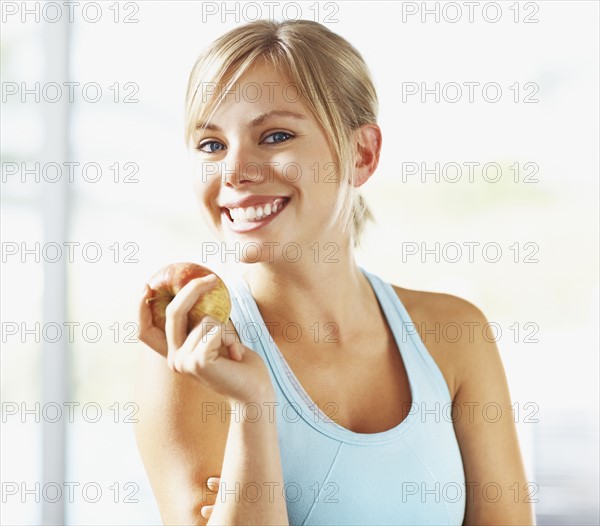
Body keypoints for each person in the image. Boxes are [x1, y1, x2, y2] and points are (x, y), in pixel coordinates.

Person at [135, 20, 534, 525]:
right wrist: (254, 405)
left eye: (274, 135)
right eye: (211, 145)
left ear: (362, 154)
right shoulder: (191, 357)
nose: (233, 171)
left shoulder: (454, 335)